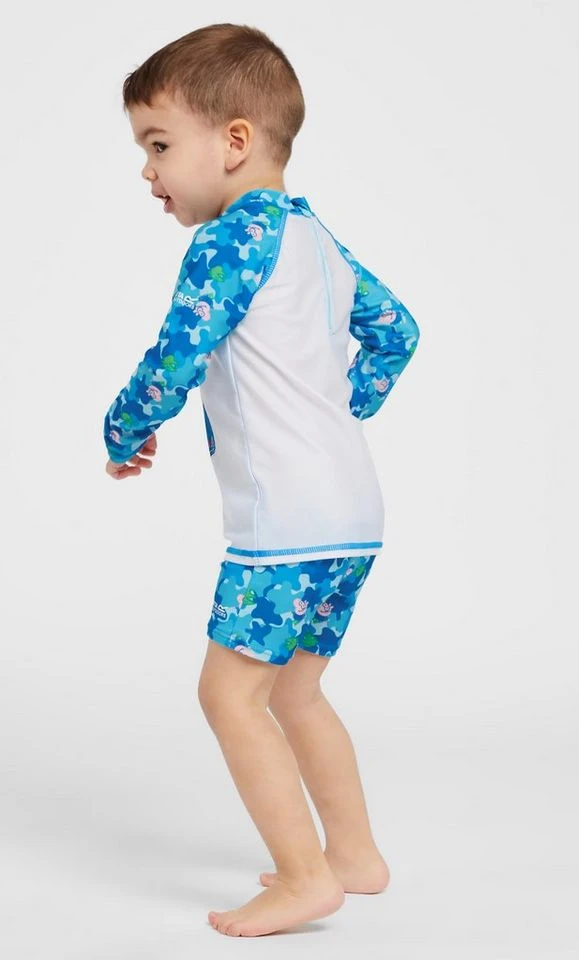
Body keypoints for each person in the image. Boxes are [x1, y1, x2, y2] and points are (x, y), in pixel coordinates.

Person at [103, 23, 420, 938]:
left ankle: (304, 877)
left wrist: (124, 427)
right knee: (296, 691)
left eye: (159, 144)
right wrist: (338, 410)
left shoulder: (229, 241)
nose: (148, 170)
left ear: (234, 141)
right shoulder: (315, 238)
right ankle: (353, 855)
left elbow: (177, 353)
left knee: (229, 694)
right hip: (351, 511)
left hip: (286, 522)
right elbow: (397, 329)